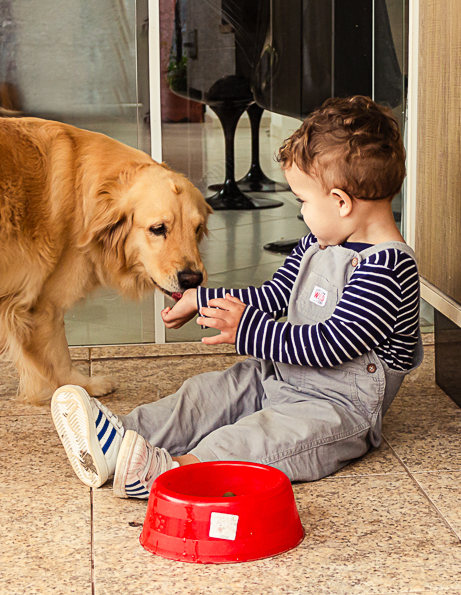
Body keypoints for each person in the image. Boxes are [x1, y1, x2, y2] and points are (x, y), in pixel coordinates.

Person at [50, 95, 423, 498]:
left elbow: (330, 344)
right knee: (208, 394)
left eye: (303, 202)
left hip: (334, 409)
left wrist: (246, 328)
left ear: (341, 203)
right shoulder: (320, 244)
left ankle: (168, 471)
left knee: (260, 438)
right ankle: (120, 437)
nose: (301, 214)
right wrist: (202, 299)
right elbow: (275, 294)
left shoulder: (388, 269)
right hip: (281, 374)